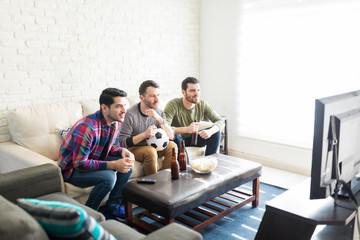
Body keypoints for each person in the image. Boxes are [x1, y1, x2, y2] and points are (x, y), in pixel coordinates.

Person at [57, 87, 135, 221]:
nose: (124, 110)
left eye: (124, 105)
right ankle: (88, 216)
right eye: (118, 106)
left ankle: (112, 206)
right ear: (104, 108)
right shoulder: (87, 128)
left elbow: (111, 147)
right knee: (108, 178)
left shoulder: (115, 122)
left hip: (94, 158)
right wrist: (112, 165)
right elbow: (80, 163)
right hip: (72, 169)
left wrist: (123, 151)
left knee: (128, 164)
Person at [119, 80, 177, 175]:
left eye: (158, 95)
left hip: (153, 146)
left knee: (173, 146)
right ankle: (153, 185)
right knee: (150, 151)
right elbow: (122, 142)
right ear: (141, 97)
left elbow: (171, 136)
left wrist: (159, 119)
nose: (157, 99)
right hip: (134, 148)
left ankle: (166, 180)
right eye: (152, 96)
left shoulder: (159, 113)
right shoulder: (129, 114)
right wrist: (144, 135)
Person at [164, 77, 225, 157]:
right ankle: (185, 167)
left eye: (198, 90)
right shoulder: (173, 105)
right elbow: (165, 128)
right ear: (183, 92)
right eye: (192, 90)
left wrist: (210, 131)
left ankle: (209, 163)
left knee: (216, 132)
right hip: (178, 140)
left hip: (194, 138)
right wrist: (187, 129)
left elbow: (220, 120)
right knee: (176, 136)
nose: (197, 93)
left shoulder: (202, 104)